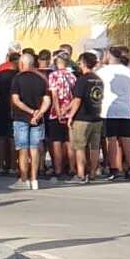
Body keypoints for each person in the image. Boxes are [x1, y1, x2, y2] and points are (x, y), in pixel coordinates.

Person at [98, 47, 130, 181]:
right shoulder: (129, 71)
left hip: (109, 110)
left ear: (109, 55)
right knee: (126, 138)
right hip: (126, 109)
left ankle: (114, 169)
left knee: (111, 140)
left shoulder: (102, 72)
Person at [11, 53, 51, 189]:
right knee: (34, 148)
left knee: (23, 149)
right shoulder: (41, 79)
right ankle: (34, 180)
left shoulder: (17, 78)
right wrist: (39, 113)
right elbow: (47, 100)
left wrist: (31, 111)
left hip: (21, 117)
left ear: (22, 64)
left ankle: (24, 180)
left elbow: (16, 100)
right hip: (37, 119)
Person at [66, 52, 104, 184]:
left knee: (79, 147)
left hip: (82, 118)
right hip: (97, 116)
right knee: (94, 147)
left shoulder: (82, 80)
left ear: (83, 63)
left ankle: (81, 174)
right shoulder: (98, 79)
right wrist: (67, 107)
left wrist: (70, 116)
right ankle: (93, 173)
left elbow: (77, 99)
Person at [46, 53, 76, 181]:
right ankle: (72, 168)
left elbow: (54, 95)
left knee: (56, 141)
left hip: (55, 112)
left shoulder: (53, 75)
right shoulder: (72, 76)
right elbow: (75, 95)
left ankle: (58, 169)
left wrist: (58, 111)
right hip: (70, 111)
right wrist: (67, 108)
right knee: (69, 141)